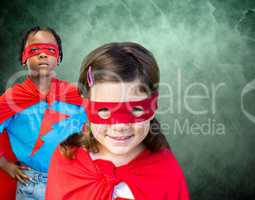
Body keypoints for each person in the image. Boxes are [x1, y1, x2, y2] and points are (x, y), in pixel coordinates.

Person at [46, 42, 190, 200]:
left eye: (136, 109)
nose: (120, 126)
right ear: (85, 105)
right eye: (104, 110)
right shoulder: (66, 160)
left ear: (154, 106)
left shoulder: (166, 173)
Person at [0, 26, 86, 200]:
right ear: (24, 58)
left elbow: (96, 127)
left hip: (70, 182)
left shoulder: (75, 95)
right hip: (30, 184)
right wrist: (4, 164)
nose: (42, 54)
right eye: (35, 50)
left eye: (50, 50)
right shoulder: (11, 99)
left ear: (58, 57)